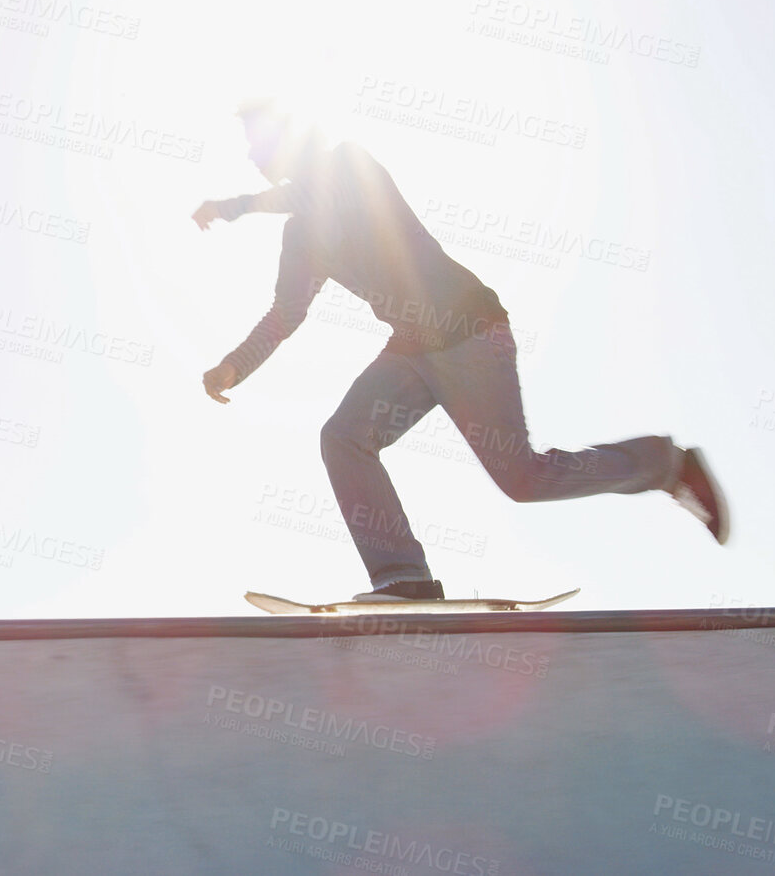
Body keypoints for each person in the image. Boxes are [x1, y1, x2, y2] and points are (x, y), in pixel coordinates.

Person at [193, 99, 725, 601]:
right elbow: (287, 312)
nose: (251, 157)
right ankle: (402, 576)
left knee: (523, 479)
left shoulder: (351, 166)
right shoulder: (300, 236)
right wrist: (234, 365)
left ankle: (665, 465)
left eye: (257, 144)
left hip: (469, 328)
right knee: (344, 437)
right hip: (412, 349)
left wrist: (234, 206)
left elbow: (316, 194)